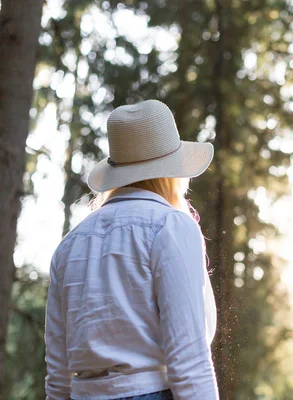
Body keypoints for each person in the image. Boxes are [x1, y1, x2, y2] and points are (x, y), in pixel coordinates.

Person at [44, 100, 219, 400]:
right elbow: (189, 363)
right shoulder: (171, 227)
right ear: (172, 173)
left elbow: (58, 376)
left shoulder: (69, 246)